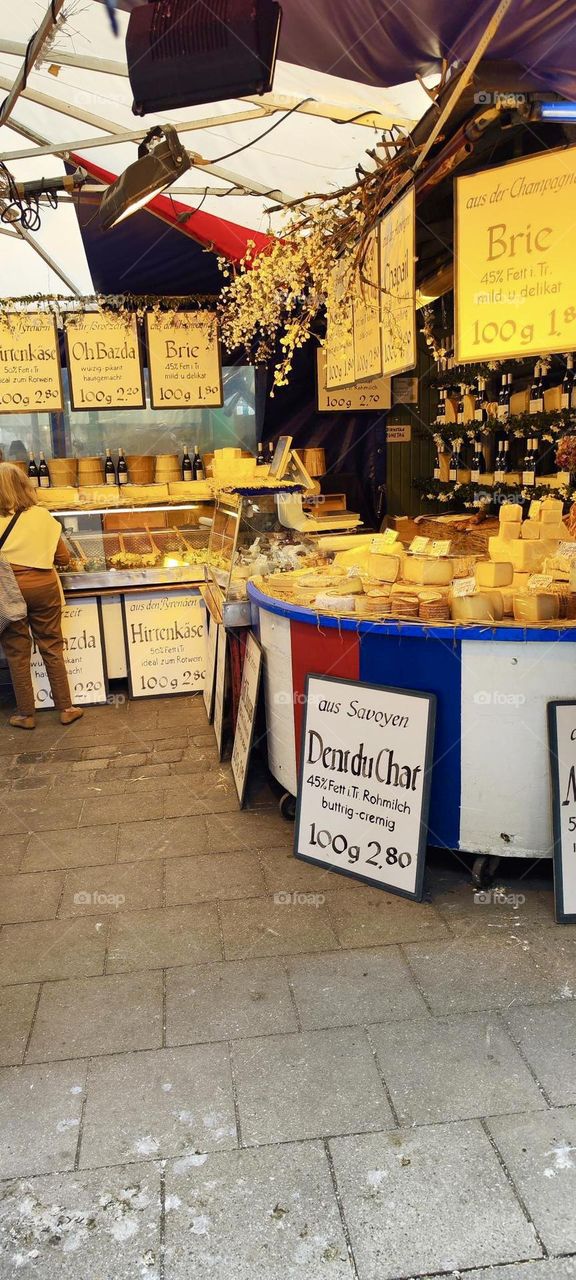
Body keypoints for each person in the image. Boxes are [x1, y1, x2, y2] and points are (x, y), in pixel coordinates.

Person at [0, 462, 84, 730]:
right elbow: (62, 558)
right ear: (25, 486)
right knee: (51, 645)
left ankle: (26, 714)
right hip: (44, 587)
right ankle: (67, 708)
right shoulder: (42, 516)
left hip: (8, 589)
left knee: (17, 652)